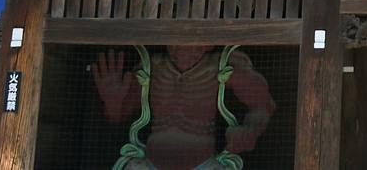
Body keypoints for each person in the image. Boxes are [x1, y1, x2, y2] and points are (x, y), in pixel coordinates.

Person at [91, 44, 276, 170]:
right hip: (150, 164)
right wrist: (112, 102)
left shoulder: (223, 65)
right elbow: (118, 116)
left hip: (203, 165)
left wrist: (250, 130)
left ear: (209, 42)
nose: (184, 47)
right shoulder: (152, 67)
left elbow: (264, 105)